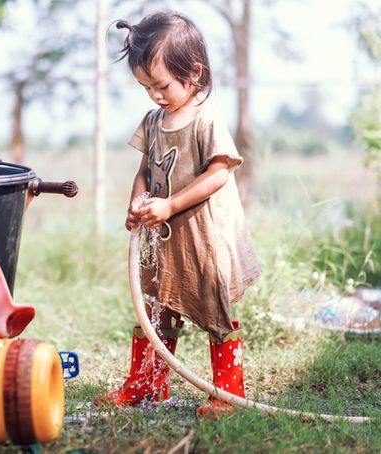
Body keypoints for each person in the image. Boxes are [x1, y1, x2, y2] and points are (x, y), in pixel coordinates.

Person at [96, 11, 262, 417]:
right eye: (146, 87)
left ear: (194, 71)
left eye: (162, 85)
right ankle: (147, 385)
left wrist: (170, 205)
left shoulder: (206, 119)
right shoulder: (153, 121)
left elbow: (220, 173)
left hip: (201, 237)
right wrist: (137, 204)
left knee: (213, 309)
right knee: (155, 307)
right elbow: (143, 173)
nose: (155, 95)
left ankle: (226, 394)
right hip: (162, 240)